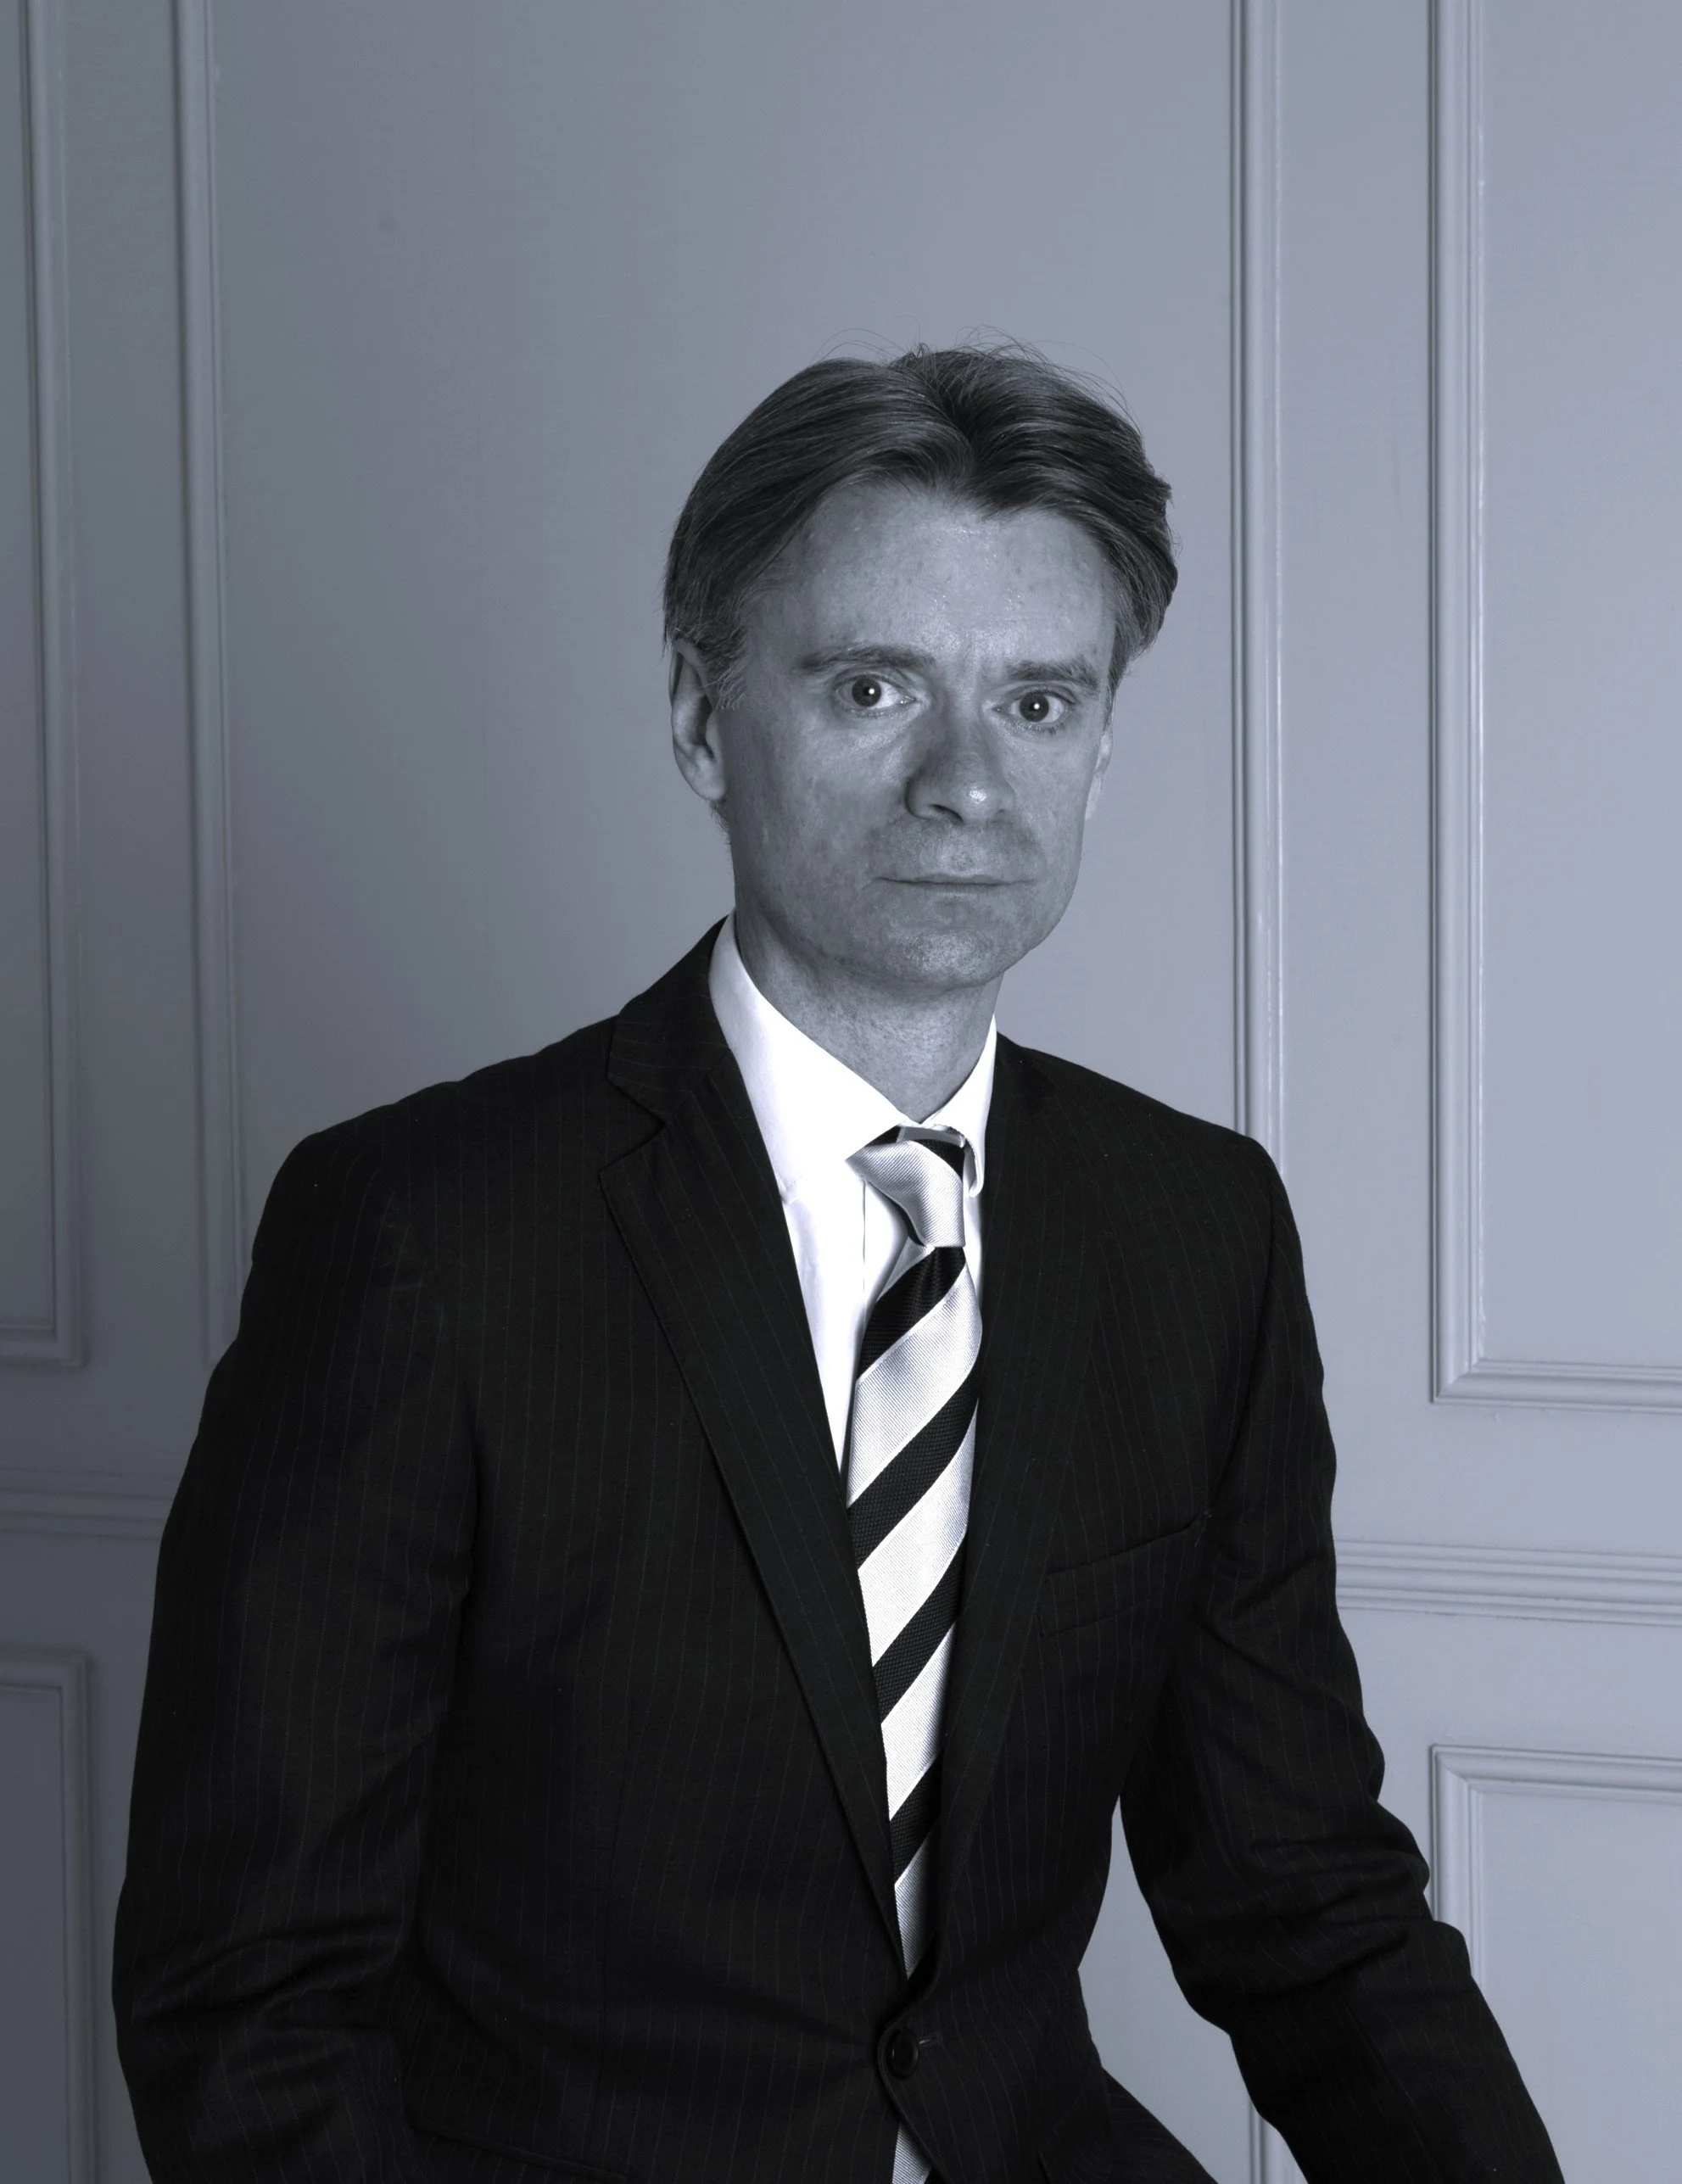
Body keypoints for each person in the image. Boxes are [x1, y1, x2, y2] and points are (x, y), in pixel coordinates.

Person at [115, 346, 1562, 2184]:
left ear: (1099, 749)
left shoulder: (1196, 1232)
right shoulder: (421, 1233)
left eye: (1036, 701)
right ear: (702, 718)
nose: (966, 782)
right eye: (874, 687)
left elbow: (1301, 1893)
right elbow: (249, 1990)